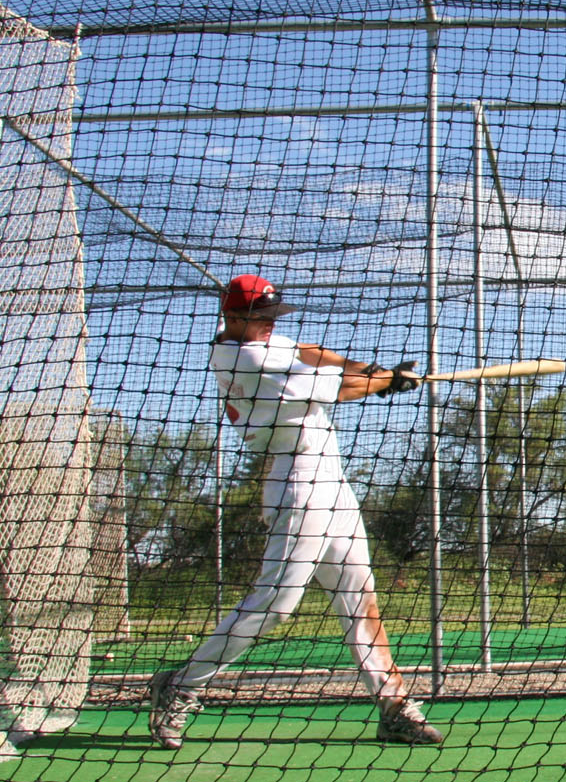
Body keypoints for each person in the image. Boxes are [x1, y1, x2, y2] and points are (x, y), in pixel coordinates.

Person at [148, 273, 442, 749]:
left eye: (270, 317)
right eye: (259, 318)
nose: (267, 325)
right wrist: (386, 380)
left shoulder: (264, 343)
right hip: (295, 483)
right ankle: (181, 684)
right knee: (275, 605)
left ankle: (394, 706)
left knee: (359, 598)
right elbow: (340, 389)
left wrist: (373, 367)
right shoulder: (245, 359)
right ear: (232, 316)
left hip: (332, 481)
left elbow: (308, 349)